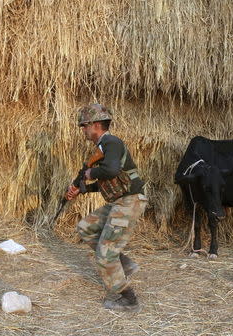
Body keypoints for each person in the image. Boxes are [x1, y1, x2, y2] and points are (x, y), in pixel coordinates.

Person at [66, 103, 147, 312]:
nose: (82, 129)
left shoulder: (111, 142)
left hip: (130, 201)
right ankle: (124, 265)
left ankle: (128, 299)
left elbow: (111, 170)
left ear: (95, 124)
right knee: (86, 227)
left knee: (104, 253)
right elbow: (110, 181)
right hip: (121, 201)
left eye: (84, 125)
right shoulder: (102, 148)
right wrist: (82, 189)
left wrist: (90, 173)